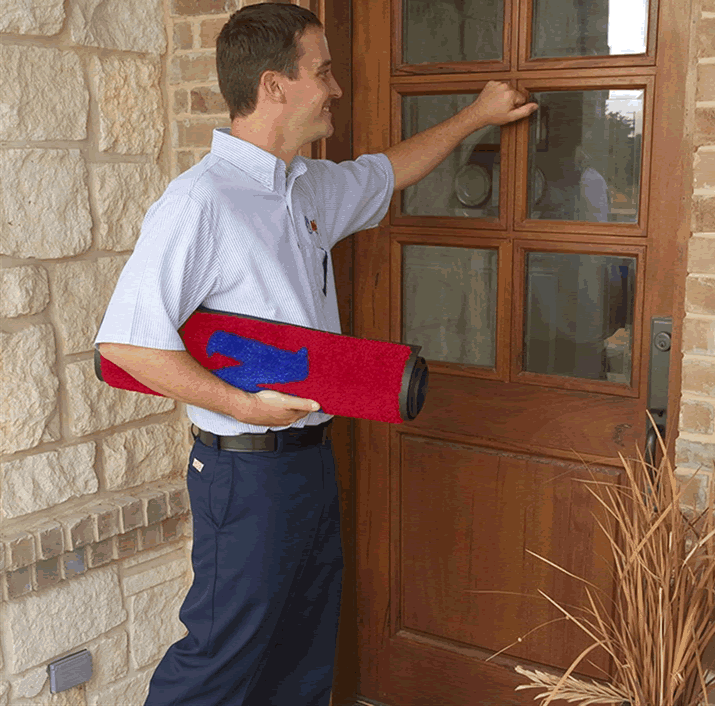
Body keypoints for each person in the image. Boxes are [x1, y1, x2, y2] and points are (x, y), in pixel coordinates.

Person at [95, 4, 536, 705]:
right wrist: (243, 406)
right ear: (274, 85)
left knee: (302, 658)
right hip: (244, 473)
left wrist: (477, 116)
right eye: (322, 72)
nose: (335, 88)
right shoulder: (200, 201)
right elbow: (126, 343)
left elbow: (387, 172)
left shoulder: (305, 186)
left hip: (308, 461)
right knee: (218, 664)